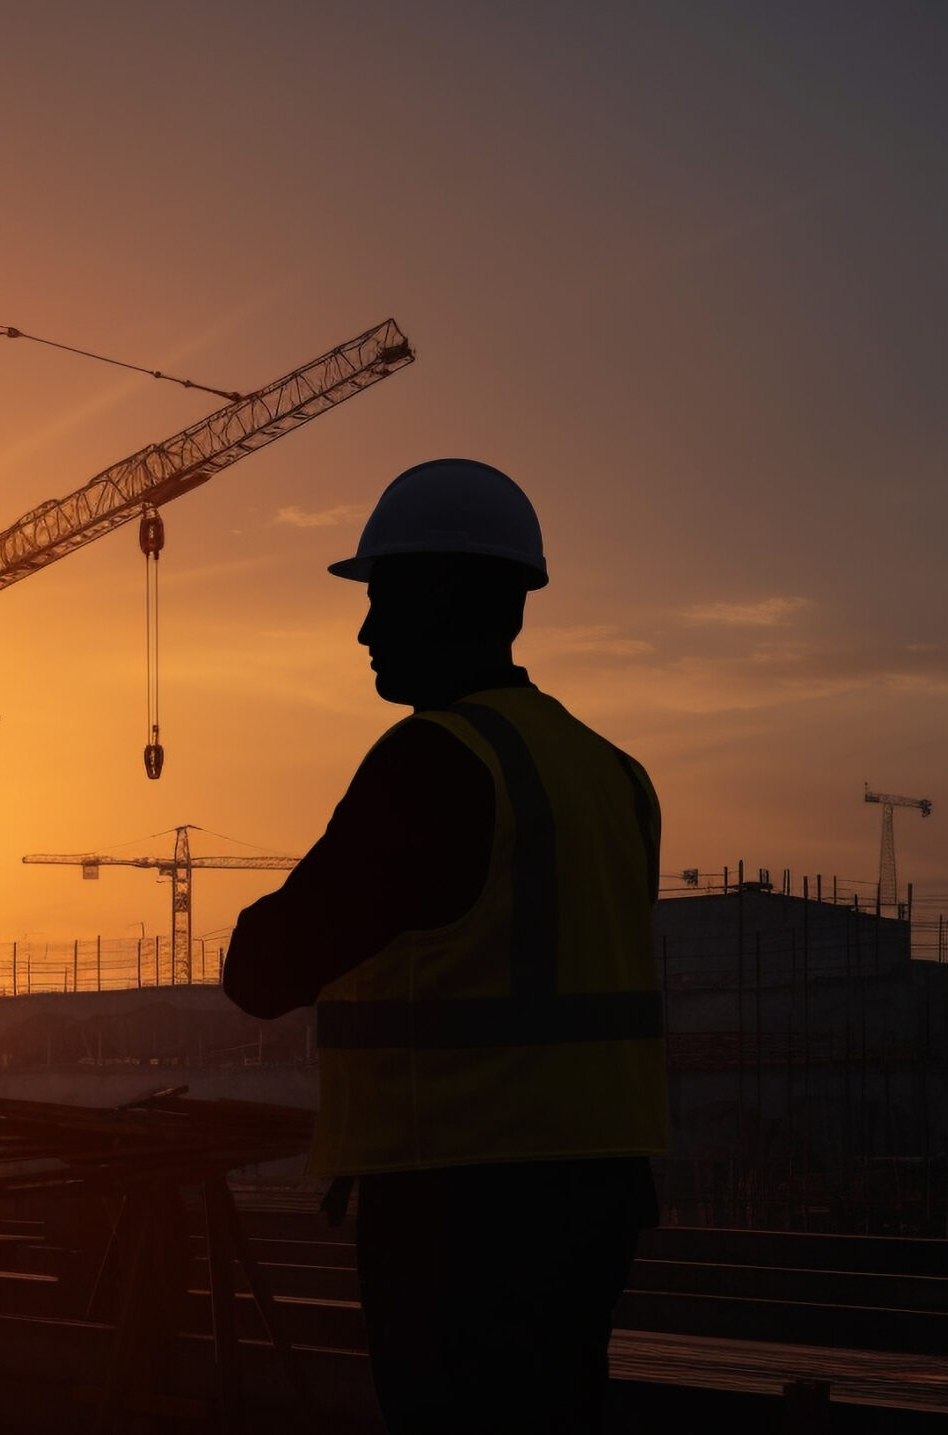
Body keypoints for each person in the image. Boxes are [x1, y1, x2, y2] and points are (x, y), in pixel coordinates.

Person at [221, 459, 669, 1435]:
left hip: (460, 1207)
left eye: (383, 600)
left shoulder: (436, 761)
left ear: (448, 597)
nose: (365, 630)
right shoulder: (611, 775)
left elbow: (263, 970)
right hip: (593, 1197)